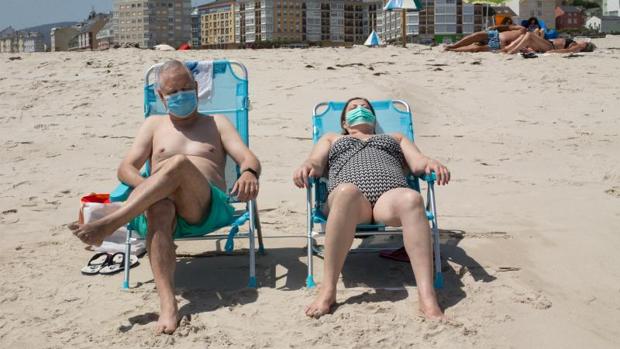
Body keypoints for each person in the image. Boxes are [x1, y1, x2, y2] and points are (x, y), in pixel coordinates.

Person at [70, 60, 261, 334]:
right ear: (161, 96)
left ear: (197, 88)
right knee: (159, 205)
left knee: (179, 163)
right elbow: (125, 168)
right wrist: (154, 187)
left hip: (204, 207)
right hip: (162, 208)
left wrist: (249, 173)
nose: (181, 95)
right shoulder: (153, 125)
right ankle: (168, 303)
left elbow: (247, 157)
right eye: (173, 92)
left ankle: (111, 223)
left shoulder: (217, 122)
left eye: (186, 88)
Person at [293, 97, 451, 320]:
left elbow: (418, 163)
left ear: (374, 118)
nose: (360, 110)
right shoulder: (332, 138)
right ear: (345, 123)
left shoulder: (395, 137)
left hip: (388, 200)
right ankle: (328, 291)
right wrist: (307, 166)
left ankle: (427, 297)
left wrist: (431, 163)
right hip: (349, 202)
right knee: (347, 191)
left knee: (412, 198)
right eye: (354, 108)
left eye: (365, 107)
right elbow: (316, 163)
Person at [445, 24, 526, 52]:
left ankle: (453, 50)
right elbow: (508, 27)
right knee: (476, 35)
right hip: (496, 35)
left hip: (501, 43)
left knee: (477, 48)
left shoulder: (529, 40)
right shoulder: (522, 29)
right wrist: (495, 27)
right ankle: (454, 46)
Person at [503, 31, 596, 54]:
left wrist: (553, 52)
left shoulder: (578, 47)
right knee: (525, 36)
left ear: (586, 46)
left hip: (550, 47)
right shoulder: (576, 44)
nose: (584, 41)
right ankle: (507, 49)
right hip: (548, 43)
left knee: (530, 34)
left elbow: (567, 51)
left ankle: (512, 51)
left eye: (586, 43)